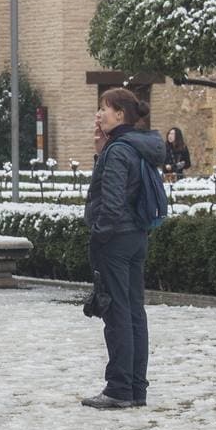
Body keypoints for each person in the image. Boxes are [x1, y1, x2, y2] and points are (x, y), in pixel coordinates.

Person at [83, 88, 166, 409]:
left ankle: (119, 389)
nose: (99, 114)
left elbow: (112, 200)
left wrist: (99, 235)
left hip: (115, 240)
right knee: (133, 313)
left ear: (121, 114)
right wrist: (100, 151)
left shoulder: (119, 150)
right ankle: (135, 388)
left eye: (104, 108)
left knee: (117, 314)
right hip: (136, 236)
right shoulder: (136, 146)